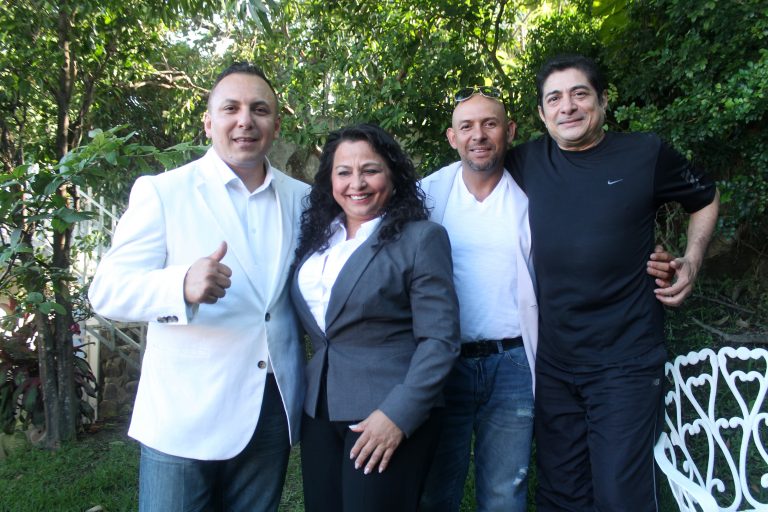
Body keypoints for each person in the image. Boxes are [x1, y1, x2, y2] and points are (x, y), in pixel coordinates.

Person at [88, 62, 309, 511]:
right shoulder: (164, 192)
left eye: (259, 109)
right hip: (183, 413)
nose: (245, 120)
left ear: (276, 125)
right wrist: (179, 285)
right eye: (231, 108)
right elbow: (106, 290)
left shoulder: (303, 199)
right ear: (209, 122)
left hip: (270, 406)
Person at [506, 54, 719, 511]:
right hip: (555, 361)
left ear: (603, 101)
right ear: (541, 114)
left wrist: (692, 259)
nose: (567, 107)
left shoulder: (645, 154)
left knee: (620, 495)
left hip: (626, 360)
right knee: (561, 494)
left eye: (579, 94)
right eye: (554, 99)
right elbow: (472, 171)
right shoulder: (527, 161)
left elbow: (705, 196)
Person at [291, 123, 460, 512]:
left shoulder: (421, 239)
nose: (357, 183)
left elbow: (440, 340)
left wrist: (399, 415)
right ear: (330, 180)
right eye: (344, 172)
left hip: (386, 411)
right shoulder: (319, 240)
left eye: (370, 170)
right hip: (319, 410)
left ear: (393, 175)